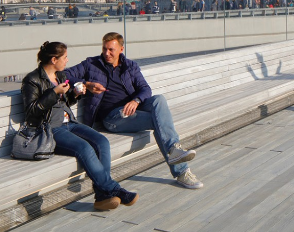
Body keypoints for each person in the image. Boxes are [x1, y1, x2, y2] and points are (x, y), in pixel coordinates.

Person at [64, 32, 203, 189]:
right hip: (112, 118)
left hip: (132, 110)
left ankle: (174, 150)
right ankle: (181, 169)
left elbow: (145, 89)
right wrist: (87, 84)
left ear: (121, 49)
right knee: (160, 122)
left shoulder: (130, 66)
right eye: (104, 49)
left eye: (111, 50)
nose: (106, 53)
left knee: (159, 100)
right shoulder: (91, 64)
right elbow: (64, 75)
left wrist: (135, 101)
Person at [21, 41, 136, 211]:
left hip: (70, 123)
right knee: (84, 147)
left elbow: (64, 103)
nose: (67, 61)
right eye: (65, 57)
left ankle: (102, 195)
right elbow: (31, 112)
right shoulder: (32, 80)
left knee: (102, 142)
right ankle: (113, 189)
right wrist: (54, 93)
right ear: (54, 60)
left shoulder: (59, 76)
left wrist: (74, 94)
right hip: (50, 129)